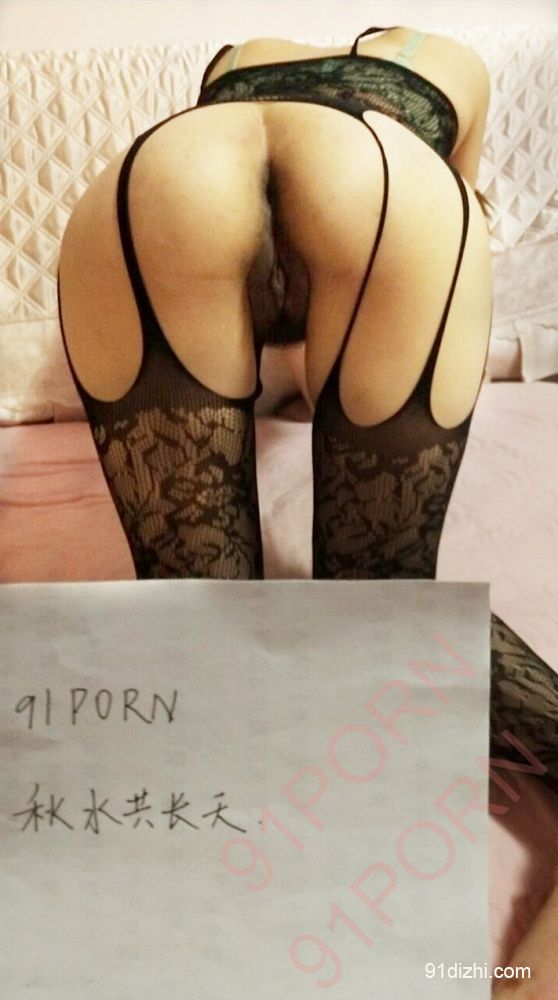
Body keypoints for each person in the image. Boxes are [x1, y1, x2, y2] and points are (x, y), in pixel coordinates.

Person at [57, 28, 558, 987]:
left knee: (194, 618)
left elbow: (257, 279)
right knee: (385, 602)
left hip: (168, 171)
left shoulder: (235, 56)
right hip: (383, 176)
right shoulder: (448, 61)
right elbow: (459, 213)